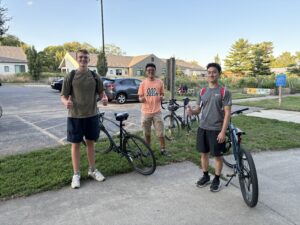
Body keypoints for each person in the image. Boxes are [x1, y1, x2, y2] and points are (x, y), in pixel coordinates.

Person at [61, 49, 108, 189]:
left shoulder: (94, 76)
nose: (83, 60)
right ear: (77, 59)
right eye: (81, 57)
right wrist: (65, 103)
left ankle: (92, 170)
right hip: (75, 116)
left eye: (85, 57)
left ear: (89, 59)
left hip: (92, 115)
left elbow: (102, 92)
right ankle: (76, 175)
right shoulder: (71, 75)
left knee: (90, 143)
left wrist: (104, 98)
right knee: (75, 145)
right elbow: (63, 96)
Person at [187, 63, 232, 192]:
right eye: (209, 72)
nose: (211, 74)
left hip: (217, 129)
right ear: (207, 74)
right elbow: (198, 109)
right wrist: (192, 112)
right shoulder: (202, 91)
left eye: (214, 72)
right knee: (203, 154)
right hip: (203, 128)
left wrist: (223, 132)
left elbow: (227, 113)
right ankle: (206, 176)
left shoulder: (224, 92)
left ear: (219, 74)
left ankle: (217, 179)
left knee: (217, 156)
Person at [138, 63, 168, 155]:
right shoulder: (143, 83)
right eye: (149, 70)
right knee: (147, 133)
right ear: (146, 72)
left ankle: (163, 149)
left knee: (160, 132)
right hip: (146, 112)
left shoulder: (160, 82)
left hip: (157, 112)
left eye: (152, 70)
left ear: (155, 71)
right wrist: (141, 99)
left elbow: (162, 94)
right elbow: (140, 97)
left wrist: (162, 97)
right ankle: (148, 150)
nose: (151, 71)